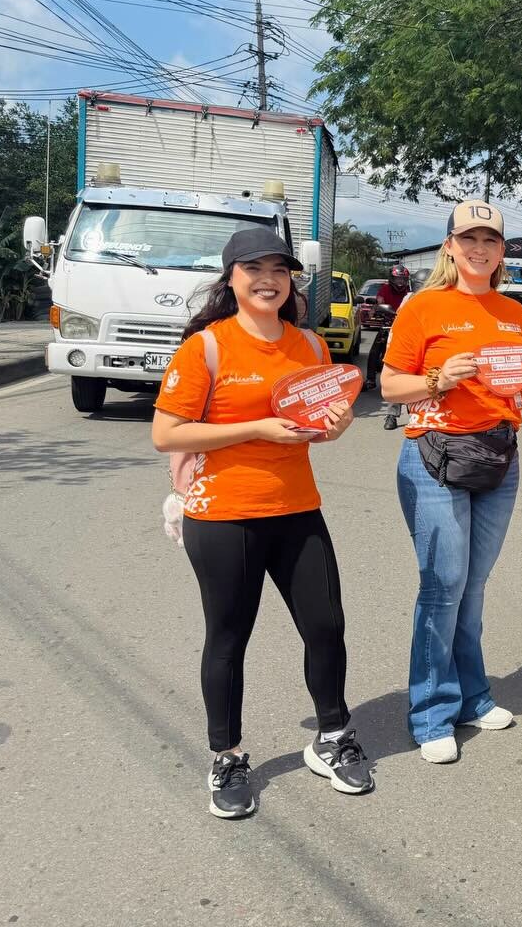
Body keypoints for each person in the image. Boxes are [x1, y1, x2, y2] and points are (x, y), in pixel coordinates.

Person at [151, 228, 369, 819]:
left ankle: (331, 737)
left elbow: (326, 418)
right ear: (231, 278)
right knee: (228, 638)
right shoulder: (207, 347)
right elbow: (166, 433)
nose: (268, 278)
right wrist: (254, 429)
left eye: (280, 268)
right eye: (254, 268)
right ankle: (227, 755)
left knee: (326, 626)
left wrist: (336, 425)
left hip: (297, 508)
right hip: (223, 517)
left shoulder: (311, 347)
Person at [381, 200, 522, 763]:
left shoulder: (513, 313)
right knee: (443, 584)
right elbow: (390, 385)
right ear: (449, 246)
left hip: (497, 455)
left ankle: (473, 695)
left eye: (490, 241)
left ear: (501, 251)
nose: (479, 249)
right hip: (435, 457)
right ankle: (430, 713)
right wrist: (437, 378)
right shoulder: (423, 307)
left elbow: (513, 382)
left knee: (472, 586)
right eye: (468, 239)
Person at [367, 265, 413, 429]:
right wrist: (378, 309)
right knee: (375, 352)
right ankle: (371, 379)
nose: (400, 282)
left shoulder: (412, 294)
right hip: (391, 327)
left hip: (410, 335)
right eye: (398, 279)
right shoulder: (388, 290)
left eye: (403, 279)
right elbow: (380, 302)